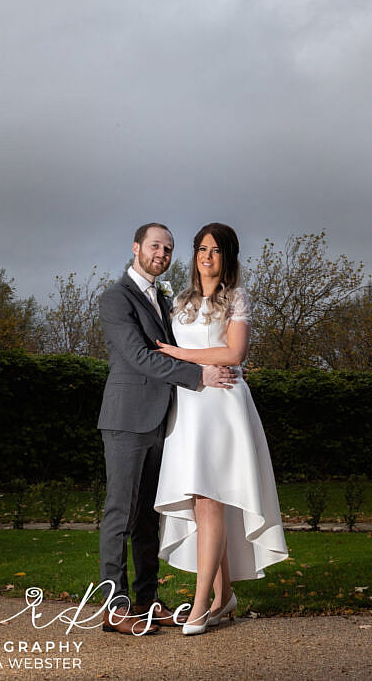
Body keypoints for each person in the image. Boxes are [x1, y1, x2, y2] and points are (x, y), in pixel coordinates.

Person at [97, 223, 237, 636]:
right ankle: (113, 605)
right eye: (155, 245)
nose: (162, 252)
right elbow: (140, 357)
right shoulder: (115, 297)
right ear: (136, 247)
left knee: (146, 518)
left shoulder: (163, 299)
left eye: (169, 247)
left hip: (163, 420)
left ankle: (146, 599)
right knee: (119, 514)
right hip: (126, 419)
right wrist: (200, 377)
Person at [154, 223, 289, 636]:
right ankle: (223, 594)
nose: (206, 256)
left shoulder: (235, 298)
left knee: (210, 499)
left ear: (228, 257)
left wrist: (178, 352)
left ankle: (199, 605)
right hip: (190, 406)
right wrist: (190, 366)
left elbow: (234, 352)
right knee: (200, 501)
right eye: (200, 249)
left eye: (215, 250)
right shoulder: (179, 300)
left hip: (223, 408)